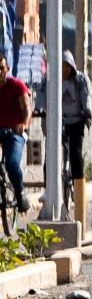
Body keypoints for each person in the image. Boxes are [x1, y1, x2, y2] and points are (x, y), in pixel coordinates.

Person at [0, 55, 32, 213]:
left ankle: (19, 193)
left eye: (1, 68)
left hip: (14, 133)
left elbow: (27, 108)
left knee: (11, 164)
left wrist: (24, 125)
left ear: (7, 69)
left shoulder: (17, 85)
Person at [60, 51, 91, 208]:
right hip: (60, 121)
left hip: (76, 120)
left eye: (67, 67)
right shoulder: (53, 80)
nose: (64, 70)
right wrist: (39, 108)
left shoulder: (79, 80)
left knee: (75, 154)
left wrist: (87, 110)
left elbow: (86, 96)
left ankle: (79, 192)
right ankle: (49, 188)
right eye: (62, 67)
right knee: (50, 157)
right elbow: (43, 95)